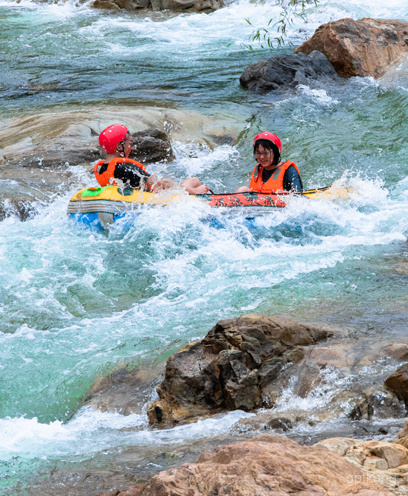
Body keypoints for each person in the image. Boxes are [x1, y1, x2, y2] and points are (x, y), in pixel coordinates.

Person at [94, 124, 209, 194]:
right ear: (119, 147)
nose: (132, 146)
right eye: (130, 142)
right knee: (196, 184)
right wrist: (193, 191)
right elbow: (160, 183)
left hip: (129, 197)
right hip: (151, 200)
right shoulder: (126, 167)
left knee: (194, 181)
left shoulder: (102, 168)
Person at [236, 132, 303, 194]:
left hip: (281, 204)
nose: (262, 157)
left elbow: (298, 197)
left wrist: (286, 195)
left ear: (275, 152)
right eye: (258, 153)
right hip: (260, 204)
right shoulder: (258, 169)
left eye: (265, 153)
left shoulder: (289, 170)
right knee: (242, 189)